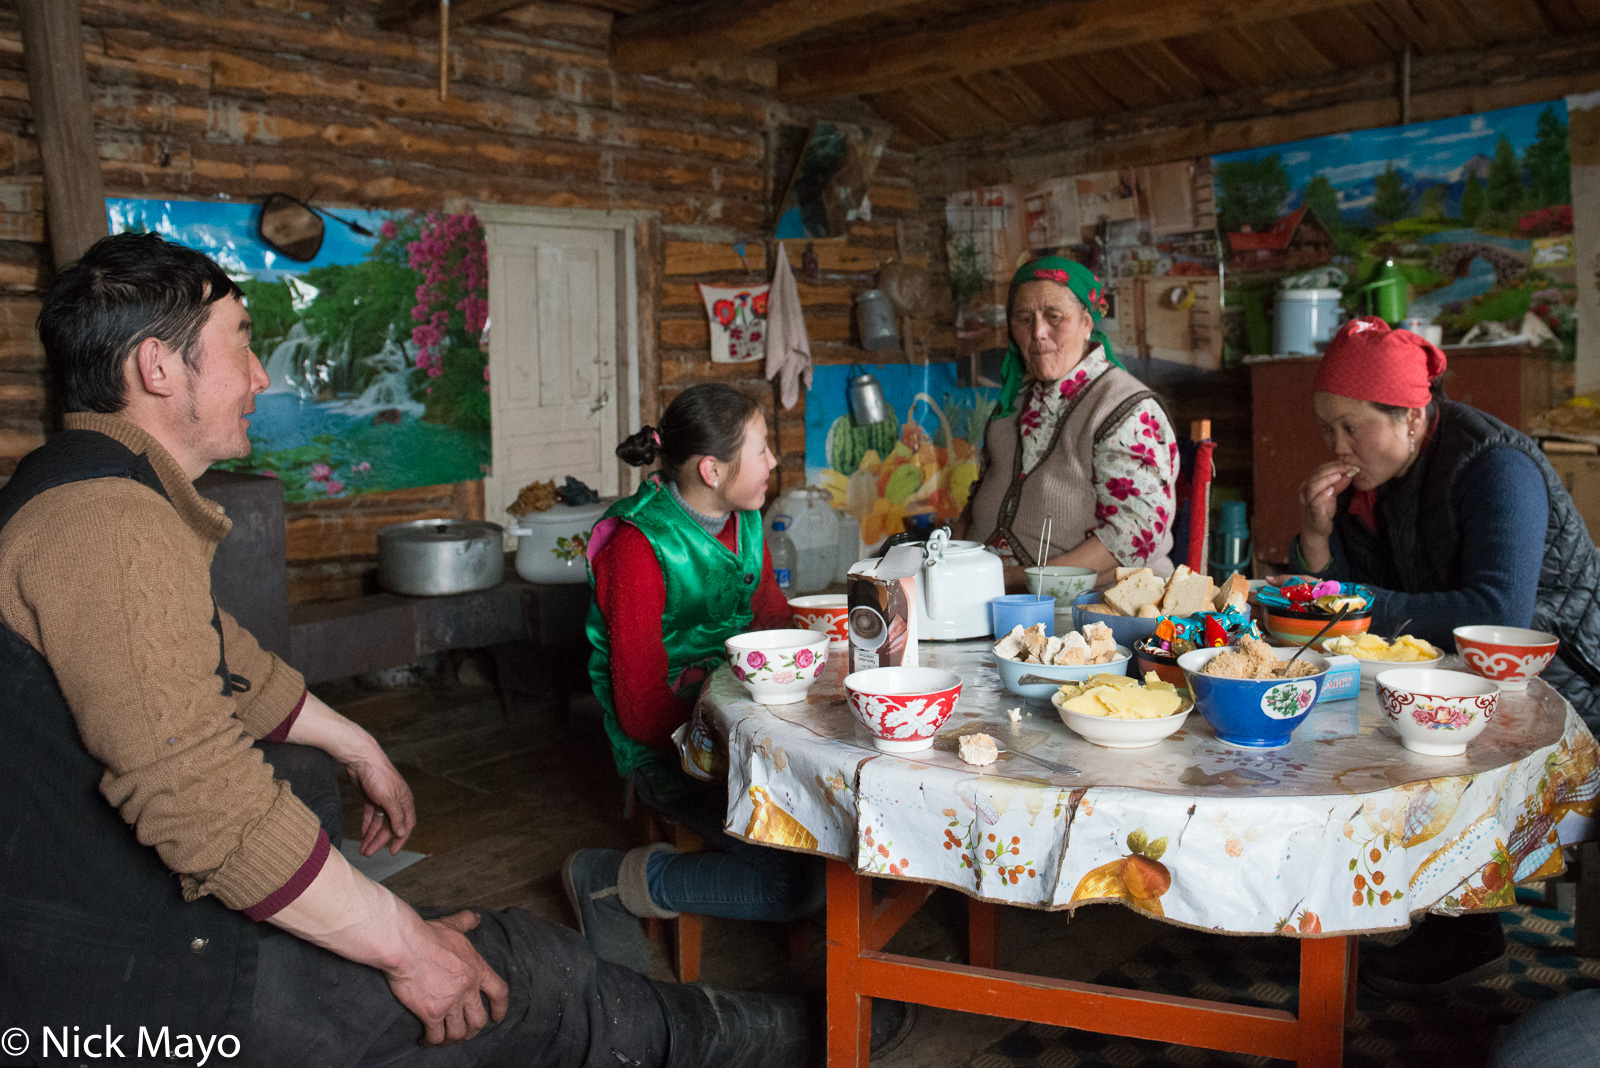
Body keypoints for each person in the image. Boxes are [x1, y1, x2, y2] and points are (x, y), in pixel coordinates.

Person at [0, 232, 805, 1068]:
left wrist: (355, 742)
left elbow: (215, 652)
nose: (262, 376)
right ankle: (769, 1037)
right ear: (159, 368)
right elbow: (200, 801)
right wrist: (407, 949)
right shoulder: (108, 526)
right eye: (242, 340)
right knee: (508, 977)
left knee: (483, 957)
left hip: (111, 937)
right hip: (131, 985)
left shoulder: (81, 490)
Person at [1292, 315, 1600, 999]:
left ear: (1412, 415)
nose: (1336, 446)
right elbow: (1351, 607)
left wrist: (1352, 601)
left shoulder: (1494, 466)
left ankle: (1463, 926)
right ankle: (1366, 905)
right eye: (1326, 429)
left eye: (1352, 427)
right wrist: (1317, 539)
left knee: (1422, 734)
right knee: (1341, 714)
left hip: (1568, 685)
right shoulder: (1375, 482)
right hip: (1460, 678)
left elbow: (1498, 620)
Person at [565, 385, 828, 965]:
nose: (773, 462)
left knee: (844, 841)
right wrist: (738, 750)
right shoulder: (638, 545)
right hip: (678, 753)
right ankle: (612, 878)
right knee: (800, 885)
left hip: (748, 732)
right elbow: (638, 708)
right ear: (712, 469)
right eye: (761, 450)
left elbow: (771, 623)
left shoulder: (746, 523)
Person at [963, 257, 1182, 591]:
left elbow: (1135, 535)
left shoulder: (1126, 410)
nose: (1038, 333)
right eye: (1024, 318)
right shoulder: (1011, 405)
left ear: (1086, 322)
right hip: (993, 599)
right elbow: (980, 498)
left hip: (1098, 611)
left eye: (1054, 317)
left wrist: (1017, 580)